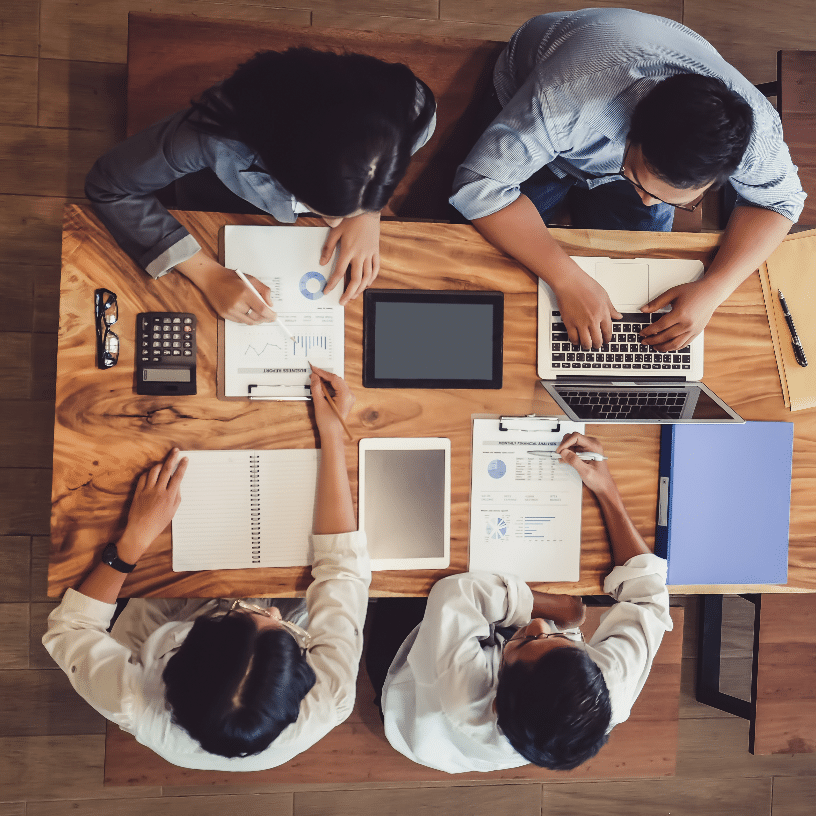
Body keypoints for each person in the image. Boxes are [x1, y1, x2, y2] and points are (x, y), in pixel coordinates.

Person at [42, 367, 369, 771]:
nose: (271, 611)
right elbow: (341, 568)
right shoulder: (330, 698)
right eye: (275, 624)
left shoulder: (132, 700)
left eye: (240, 616)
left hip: (172, 608)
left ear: (178, 660)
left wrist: (134, 541)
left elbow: (68, 629)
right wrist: (332, 433)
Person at [450, 9, 806, 353]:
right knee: (474, 260)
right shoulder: (566, 99)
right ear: (629, 134)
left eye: (679, 200)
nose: (648, 201)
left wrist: (715, 288)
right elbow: (478, 185)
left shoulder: (754, 135)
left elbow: (781, 203)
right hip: (532, 90)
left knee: (639, 283)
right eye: (638, 181)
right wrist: (566, 278)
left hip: (602, 106)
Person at [370, 431, 672, 773]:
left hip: (409, 693)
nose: (540, 626)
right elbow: (648, 593)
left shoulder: (466, 699)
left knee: (408, 573)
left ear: (497, 693)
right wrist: (606, 489)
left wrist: (563, 612)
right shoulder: (606, 688)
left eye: (526, 641)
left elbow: (454, 594)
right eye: (562, 640)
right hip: (500, 697)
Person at [86, 48, 436, 323]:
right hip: (214, 199)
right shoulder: (211, 138)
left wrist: (367, 211)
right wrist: (208, 276)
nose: (333, 222)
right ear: (282, 167)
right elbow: (109, 186)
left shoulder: (413, 108)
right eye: (323, 210)